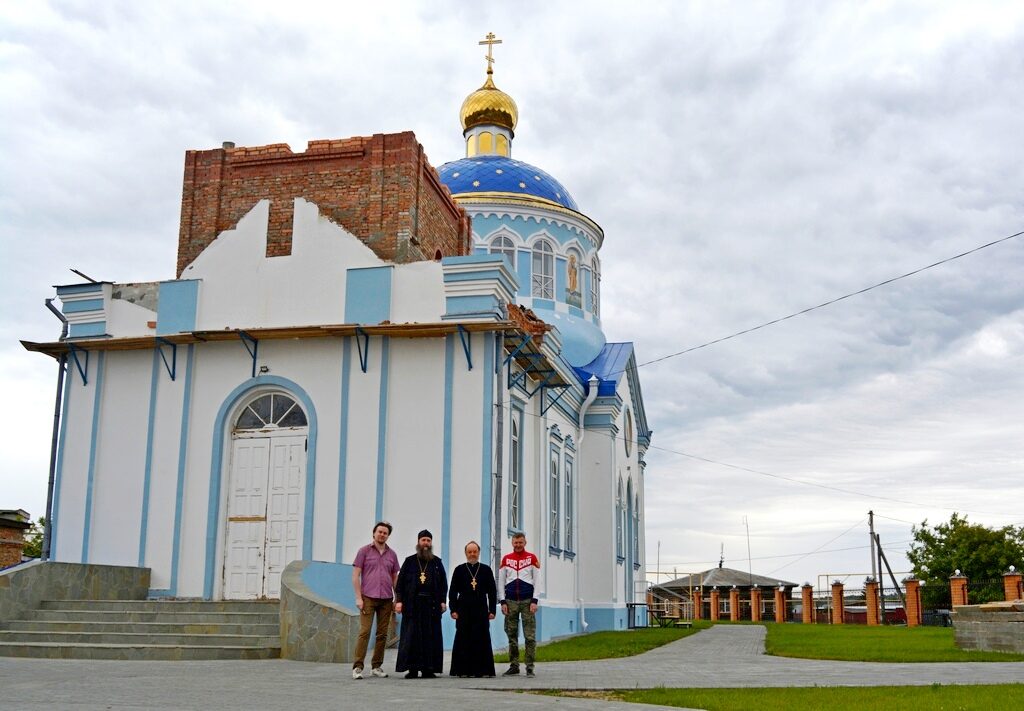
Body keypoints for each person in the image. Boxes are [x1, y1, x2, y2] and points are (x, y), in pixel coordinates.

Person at [394, 529, 448, 678]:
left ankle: (428, 669)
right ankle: (412, 669)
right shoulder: (410, 561)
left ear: (431, 543)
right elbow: (400, 584)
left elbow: (443, 583)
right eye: (423, 540)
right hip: (413, 605)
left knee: (430, 637)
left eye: (428, 540)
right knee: (412, 638)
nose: (426, 543)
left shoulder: (437, 562)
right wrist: (399, 601)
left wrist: (443, 601)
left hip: (431, 605)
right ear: (418, 542)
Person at [351, 521, 400, 680]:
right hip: (368, 598)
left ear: (388, 536)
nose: (382, 534)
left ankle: (376, 666)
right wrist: (358, 598)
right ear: (374, 533)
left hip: (386, 599)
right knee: (364, 632)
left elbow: (395, 578)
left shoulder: (392, 554)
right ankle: (358, 667)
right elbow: (355, 576)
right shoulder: (363, 551)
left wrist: (397, 599)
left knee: (382, 634)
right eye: (380, 532)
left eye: (385, 533)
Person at [448, 540, 497, 677]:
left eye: (475, 551)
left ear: (479, 552)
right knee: (463, 639)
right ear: (465, 553)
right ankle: (462, 670)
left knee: (481, 638)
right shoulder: (459, 570)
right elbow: (452, 592)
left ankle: (481, 670)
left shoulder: (486, 570)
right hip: (463, 609)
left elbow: (492, 592)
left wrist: (492, 610)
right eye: (470, 552)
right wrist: (453, 609)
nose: (472, 554)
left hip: (481, 609)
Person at [497, 531, 541, 677]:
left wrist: (535, 600)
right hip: (510, 602)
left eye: (520, 542)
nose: (518, 545)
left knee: (530, 636)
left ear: (525, 542)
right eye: (516, 542)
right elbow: (501, 580)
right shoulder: (506, 559)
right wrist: (502, 600)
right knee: (511, 634)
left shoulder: (531, 558)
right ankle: (514, 665)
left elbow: (537, 580)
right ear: (512, 543)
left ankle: (530, 667)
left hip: (528, 601)